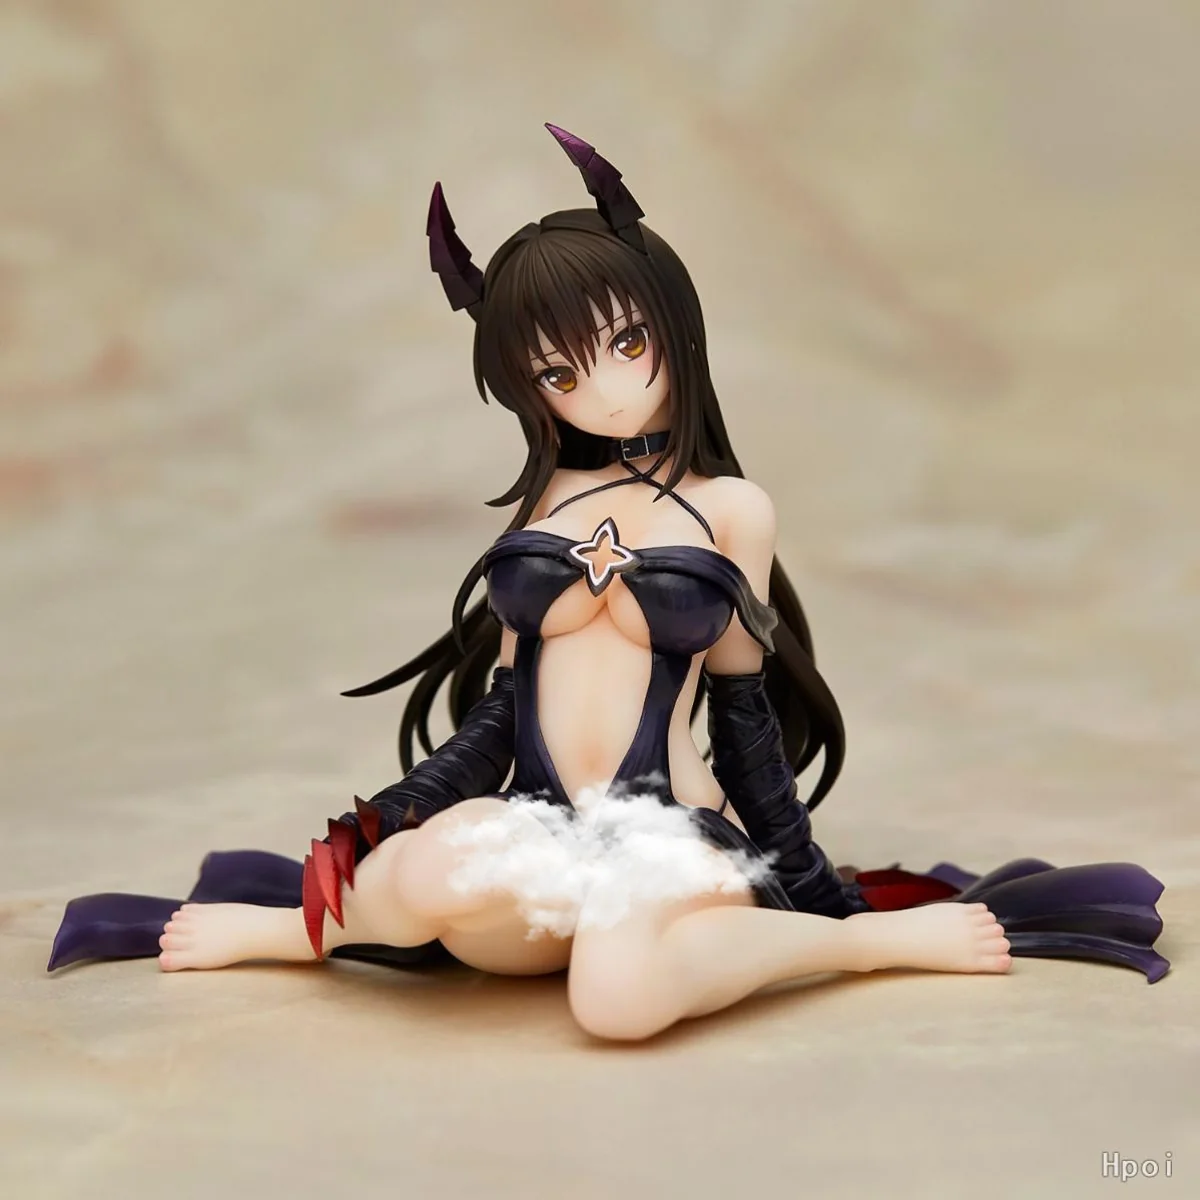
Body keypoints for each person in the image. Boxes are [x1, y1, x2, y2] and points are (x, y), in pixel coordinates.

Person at [49, 125, 1169, 1042]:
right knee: (427, 876)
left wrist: (812, 884)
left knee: (617, 1003)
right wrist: (386, 822)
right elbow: (502, 709)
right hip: (541, 832)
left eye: (629, 343)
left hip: (668, 836)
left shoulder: (733, 510)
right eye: (559, 370)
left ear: (673, 326)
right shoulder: (547, 502)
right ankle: (308, 931)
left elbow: (743, 715)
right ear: (530, 387)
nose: (607, 389)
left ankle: (853, 946)